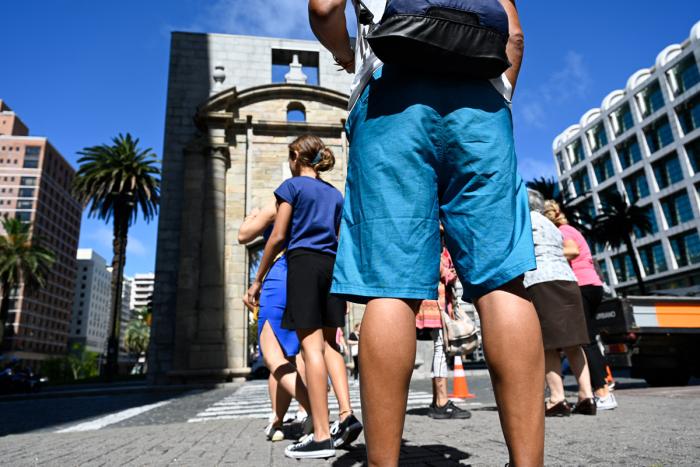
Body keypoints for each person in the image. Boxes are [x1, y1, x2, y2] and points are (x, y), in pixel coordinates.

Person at [309, 1, 545, 466]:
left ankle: (382, 462)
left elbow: (324, 7)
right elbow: (513, 34)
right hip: (481, 102)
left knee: (390, 288)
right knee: (503, 281)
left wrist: (348, 55)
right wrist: (501, 92)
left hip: (392, 97)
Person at [246, 135, 363, 460]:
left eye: (290, 156)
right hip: (331, 268)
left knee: (310, 348)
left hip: (303, 264)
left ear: (297, 155)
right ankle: (345, 415)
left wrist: (257, 280)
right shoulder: (334, 193)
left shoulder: (292, 187)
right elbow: (341, 240)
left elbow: (279, 236)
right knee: (330, 346)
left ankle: (322, 435)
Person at [239, 204, 312, 441]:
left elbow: (243, 235)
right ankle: (280, 419)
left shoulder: (278, 205)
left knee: (274, 357)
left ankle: (314, 410)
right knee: (298, 353)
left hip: (279, 277)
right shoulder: (318, 202)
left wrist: (251, 217)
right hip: (308, 276)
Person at [524, 190, 596, 417]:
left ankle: (557, 399)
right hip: (567, 280)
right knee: (574, 343)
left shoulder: (524, 222)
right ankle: (587, 396)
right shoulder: (550, 225)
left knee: (548, 344)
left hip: (541, 281)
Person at [544, 200, 618, 411]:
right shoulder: (568, 228)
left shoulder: (563, 230)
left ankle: (602, 393)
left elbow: (572, 250)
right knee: (589, 338)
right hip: (592, 284)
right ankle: (602, 389)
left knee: (584, 341)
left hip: (582, 285)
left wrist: (546, 254)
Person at [416, 234, 471, 419]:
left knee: (440, 348)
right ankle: (441, 401)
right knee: (440, 348)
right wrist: (451, 274)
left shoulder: (435, 241)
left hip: (435, 301)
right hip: (435, 302)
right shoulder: (433, 242)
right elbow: (440, 270)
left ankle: (437, 400)